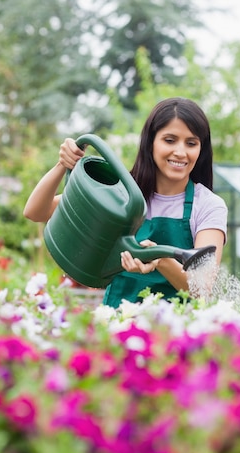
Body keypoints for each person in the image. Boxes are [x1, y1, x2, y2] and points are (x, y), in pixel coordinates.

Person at [23, 97, 227, 307]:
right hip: (117, 324)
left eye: (191, 143)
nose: (181, 152)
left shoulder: (208, 206)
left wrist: (161, 259)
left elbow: (202, 289)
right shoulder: (121, 192)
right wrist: (62, 164)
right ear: (150, 143)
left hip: (177, 331)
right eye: (169, 140)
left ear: (201, 149)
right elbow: (35, 212)